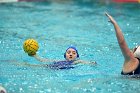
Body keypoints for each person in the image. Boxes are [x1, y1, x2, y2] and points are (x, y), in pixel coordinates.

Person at [27, 46, 96, 69]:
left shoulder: (76, 61)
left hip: (61, 70)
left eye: (74, 53)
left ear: (77, 56)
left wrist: (91, 63)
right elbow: (44, 60)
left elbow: (83, 61)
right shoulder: (58, 60)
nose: (71, 54)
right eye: (68, 52)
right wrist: (35, 55)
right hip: (51, 67)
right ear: (65, 55)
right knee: (33, 66)